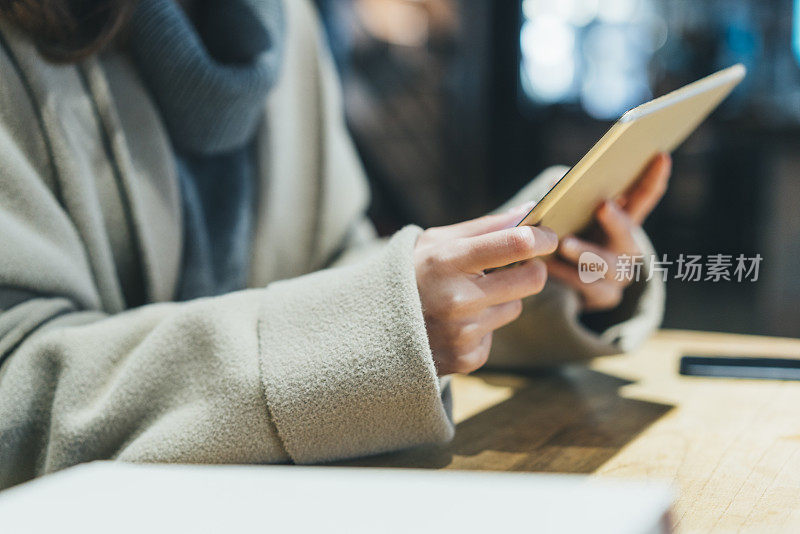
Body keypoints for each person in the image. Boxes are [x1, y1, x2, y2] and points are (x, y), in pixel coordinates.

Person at [0, 0, 669, 489]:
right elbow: (15, 400)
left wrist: (524, 277)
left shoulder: (280, 22)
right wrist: (375, 327)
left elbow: (333, 273)